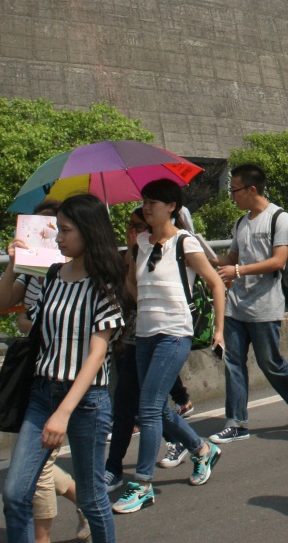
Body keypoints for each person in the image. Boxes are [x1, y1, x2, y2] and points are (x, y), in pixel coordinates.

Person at [0, 194, 127, 543]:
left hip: (86, 402)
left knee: (92, 497)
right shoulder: (54, 275)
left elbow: (96, 355)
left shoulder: (106, 283)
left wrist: (63, 412)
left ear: (88, 231)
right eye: (58, 229)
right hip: (42, 393)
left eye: (66, 230)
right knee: (15, 494)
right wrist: (13, 264)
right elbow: (17, 316)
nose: (58, 238)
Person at [112, 181, 226, 514]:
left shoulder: (184, 242)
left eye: (154, 202)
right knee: (158, 409)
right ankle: (201, 449)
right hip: (145, 334)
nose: (146, 208)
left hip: (175, 333)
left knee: (147, 406)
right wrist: (139, 283)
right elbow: (132, 284)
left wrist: (219, 330)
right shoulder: (140, 244)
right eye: (144, 202)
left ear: (172, 206)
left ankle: (143, 484)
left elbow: (215, 283)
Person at [0, 198, 89, 543]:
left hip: (63, 374)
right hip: (32, 371)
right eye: (43, 228)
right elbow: (3, 303)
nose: (52, 236)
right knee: (32, 463)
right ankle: (85, 502)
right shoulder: (36, 272)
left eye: (59, 229)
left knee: (40, 466)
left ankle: (43, 536)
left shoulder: (76, 272)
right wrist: (13, 262)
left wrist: (31, 322)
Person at [212, 164, 288, 441]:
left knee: (269, 362)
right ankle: (236, 423)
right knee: (233, 363)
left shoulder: (279, 218)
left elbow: (278, 260)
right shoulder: (241, 223)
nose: (232, 196)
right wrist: (206, 258)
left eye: (235, 190)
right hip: (237, 304)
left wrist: (238, 271)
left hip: (265, 304)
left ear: (252, 189)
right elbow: (233, 258)